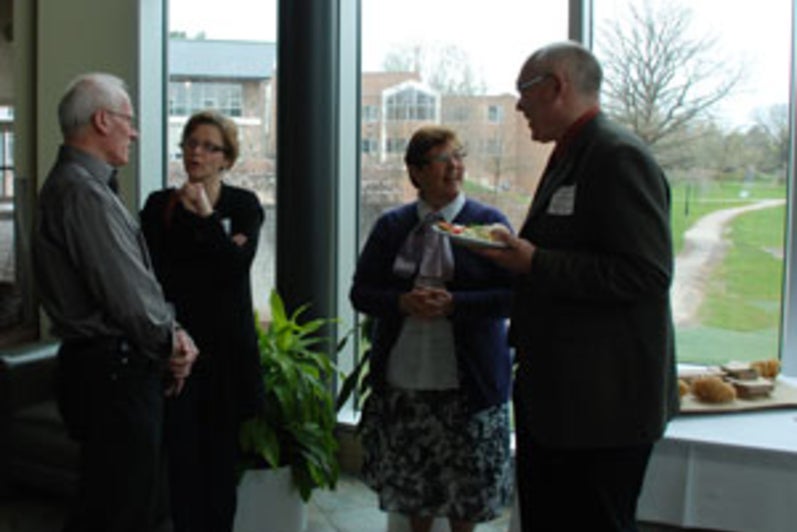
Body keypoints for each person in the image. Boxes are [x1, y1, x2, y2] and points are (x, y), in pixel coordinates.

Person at [478, 42, 679, 531]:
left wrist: (536, 262)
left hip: (601, 410)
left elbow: (647, 273)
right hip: (563, 402)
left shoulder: (617, 156)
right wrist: (518, 258)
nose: (519, 105)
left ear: (557, 86)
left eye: (524, 91)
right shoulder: (576, 151)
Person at [32, 72, 198, 532]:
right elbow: (128, 296)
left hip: (105, 372)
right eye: (128, 119)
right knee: (119, 513)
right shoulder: (82, 193)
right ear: (103, 121)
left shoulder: (80, 187)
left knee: (118, 504)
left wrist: (169, 337)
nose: (136, 130)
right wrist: (173, 342)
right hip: (113, 377)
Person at [350, 125, 515, 532]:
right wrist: (401, 302)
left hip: (470, 385)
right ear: (417, 171)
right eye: (443, 159)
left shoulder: (488, 223)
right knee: (413, 491)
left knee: (466, 497)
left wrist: (456, 305)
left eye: (459, 155)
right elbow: (361, 293)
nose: (456, 166)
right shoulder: (392, 226)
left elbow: (512, 296)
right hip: (406, 380)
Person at [140, 110, 265, 532]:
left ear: (226, 159)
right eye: (192, 143)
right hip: (178, 352)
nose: (197, 152)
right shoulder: (160, 206)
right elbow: (154, 276)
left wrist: (209, 219)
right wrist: (219, 245)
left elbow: (234, 270)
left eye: (210, 146)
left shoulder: (243, 205)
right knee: (182, 466)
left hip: (227, 357)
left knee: (220, 467)